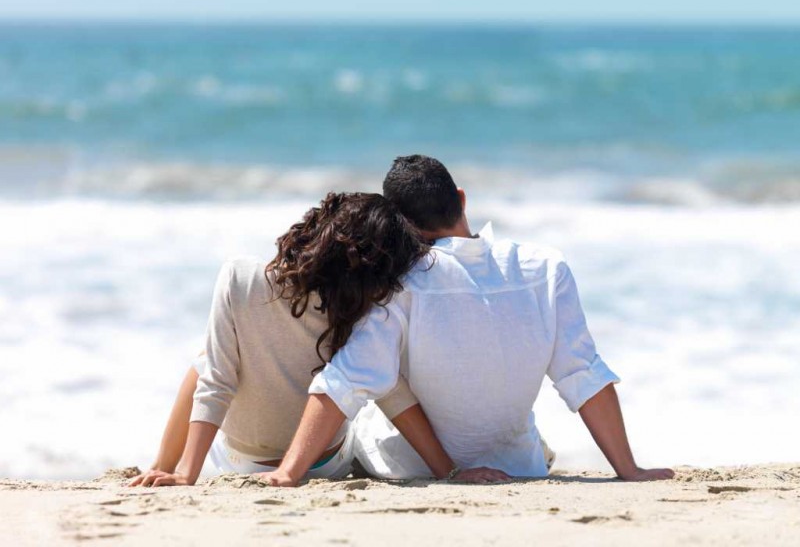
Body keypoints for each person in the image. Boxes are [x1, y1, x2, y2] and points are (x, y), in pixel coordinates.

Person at [259, 155, 675, 486]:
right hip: (519, 465)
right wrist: (629, 470)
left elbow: (345, 381)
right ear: (461, 198)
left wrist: (288, 472)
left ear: (399, 226)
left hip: (407, 467)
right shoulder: (546, 268)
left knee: (369, 397)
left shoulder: (402, 284)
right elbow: (583, 375)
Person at [130, 192, 510, 487]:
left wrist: (186, 474)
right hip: (326, 463)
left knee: (208, 360)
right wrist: (449, 470)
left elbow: (217, 383)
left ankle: (163, 467)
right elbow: (392, 391)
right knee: (369, 379)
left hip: (240, 461)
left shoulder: (239, 278)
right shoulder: (361, 304)